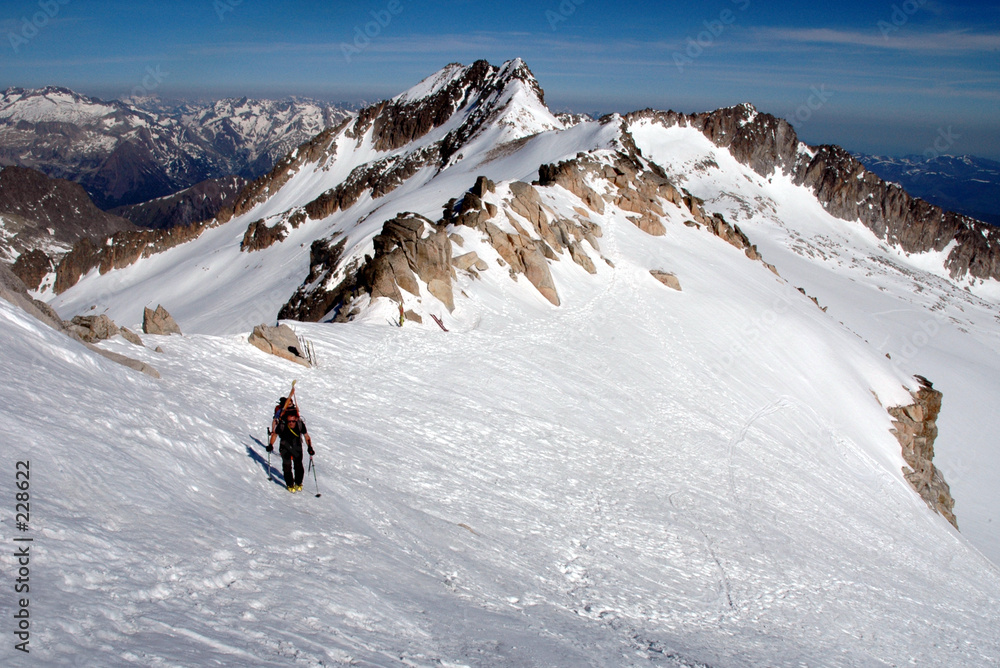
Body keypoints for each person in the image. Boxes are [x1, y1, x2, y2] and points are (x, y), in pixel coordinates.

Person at [267, 406, 314, 492]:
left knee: (299, 466)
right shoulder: (282, 425)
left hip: (297, 447)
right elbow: (275, 435)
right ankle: (290, 484)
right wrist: (270, 444)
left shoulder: (300, 424)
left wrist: (310, 447)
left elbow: (306, 436)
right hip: (285, 447)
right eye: (289, 421)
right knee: (287, 466)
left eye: (293, 421)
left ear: (296, 419)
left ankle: (298, 483)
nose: (291, 423)